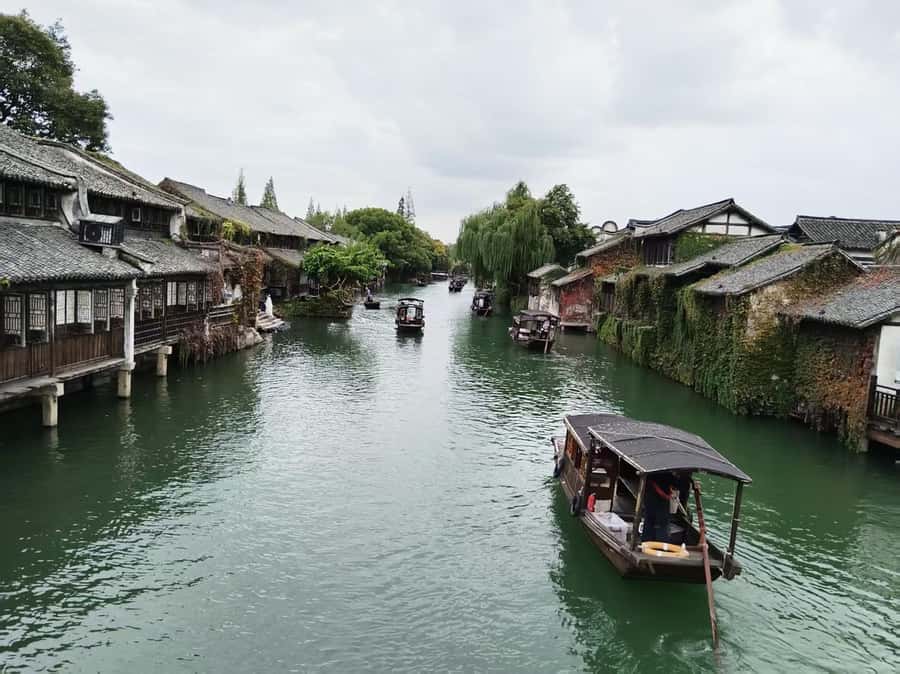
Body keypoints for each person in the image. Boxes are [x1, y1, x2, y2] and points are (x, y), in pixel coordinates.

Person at [642, 473, 674, 542]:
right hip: (657, 500)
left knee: (650, 521)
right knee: (660, 524)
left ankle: (647, 542)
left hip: (654, 498)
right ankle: (658, 543)